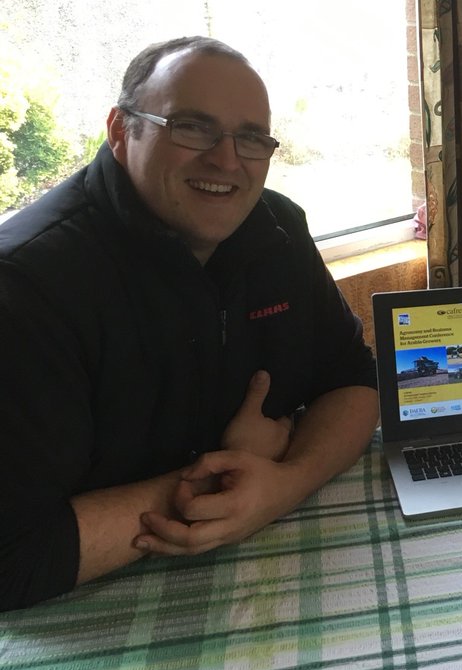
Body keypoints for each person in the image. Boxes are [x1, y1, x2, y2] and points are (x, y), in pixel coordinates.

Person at [0, 37, 379, 611]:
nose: (227, 161)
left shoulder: (277, 229)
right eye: (192, 127)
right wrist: (220, 484)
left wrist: (284, 482)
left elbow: (355, 382)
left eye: (251, 137)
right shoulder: (28, 286)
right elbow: (12, 560)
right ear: (121, 131)